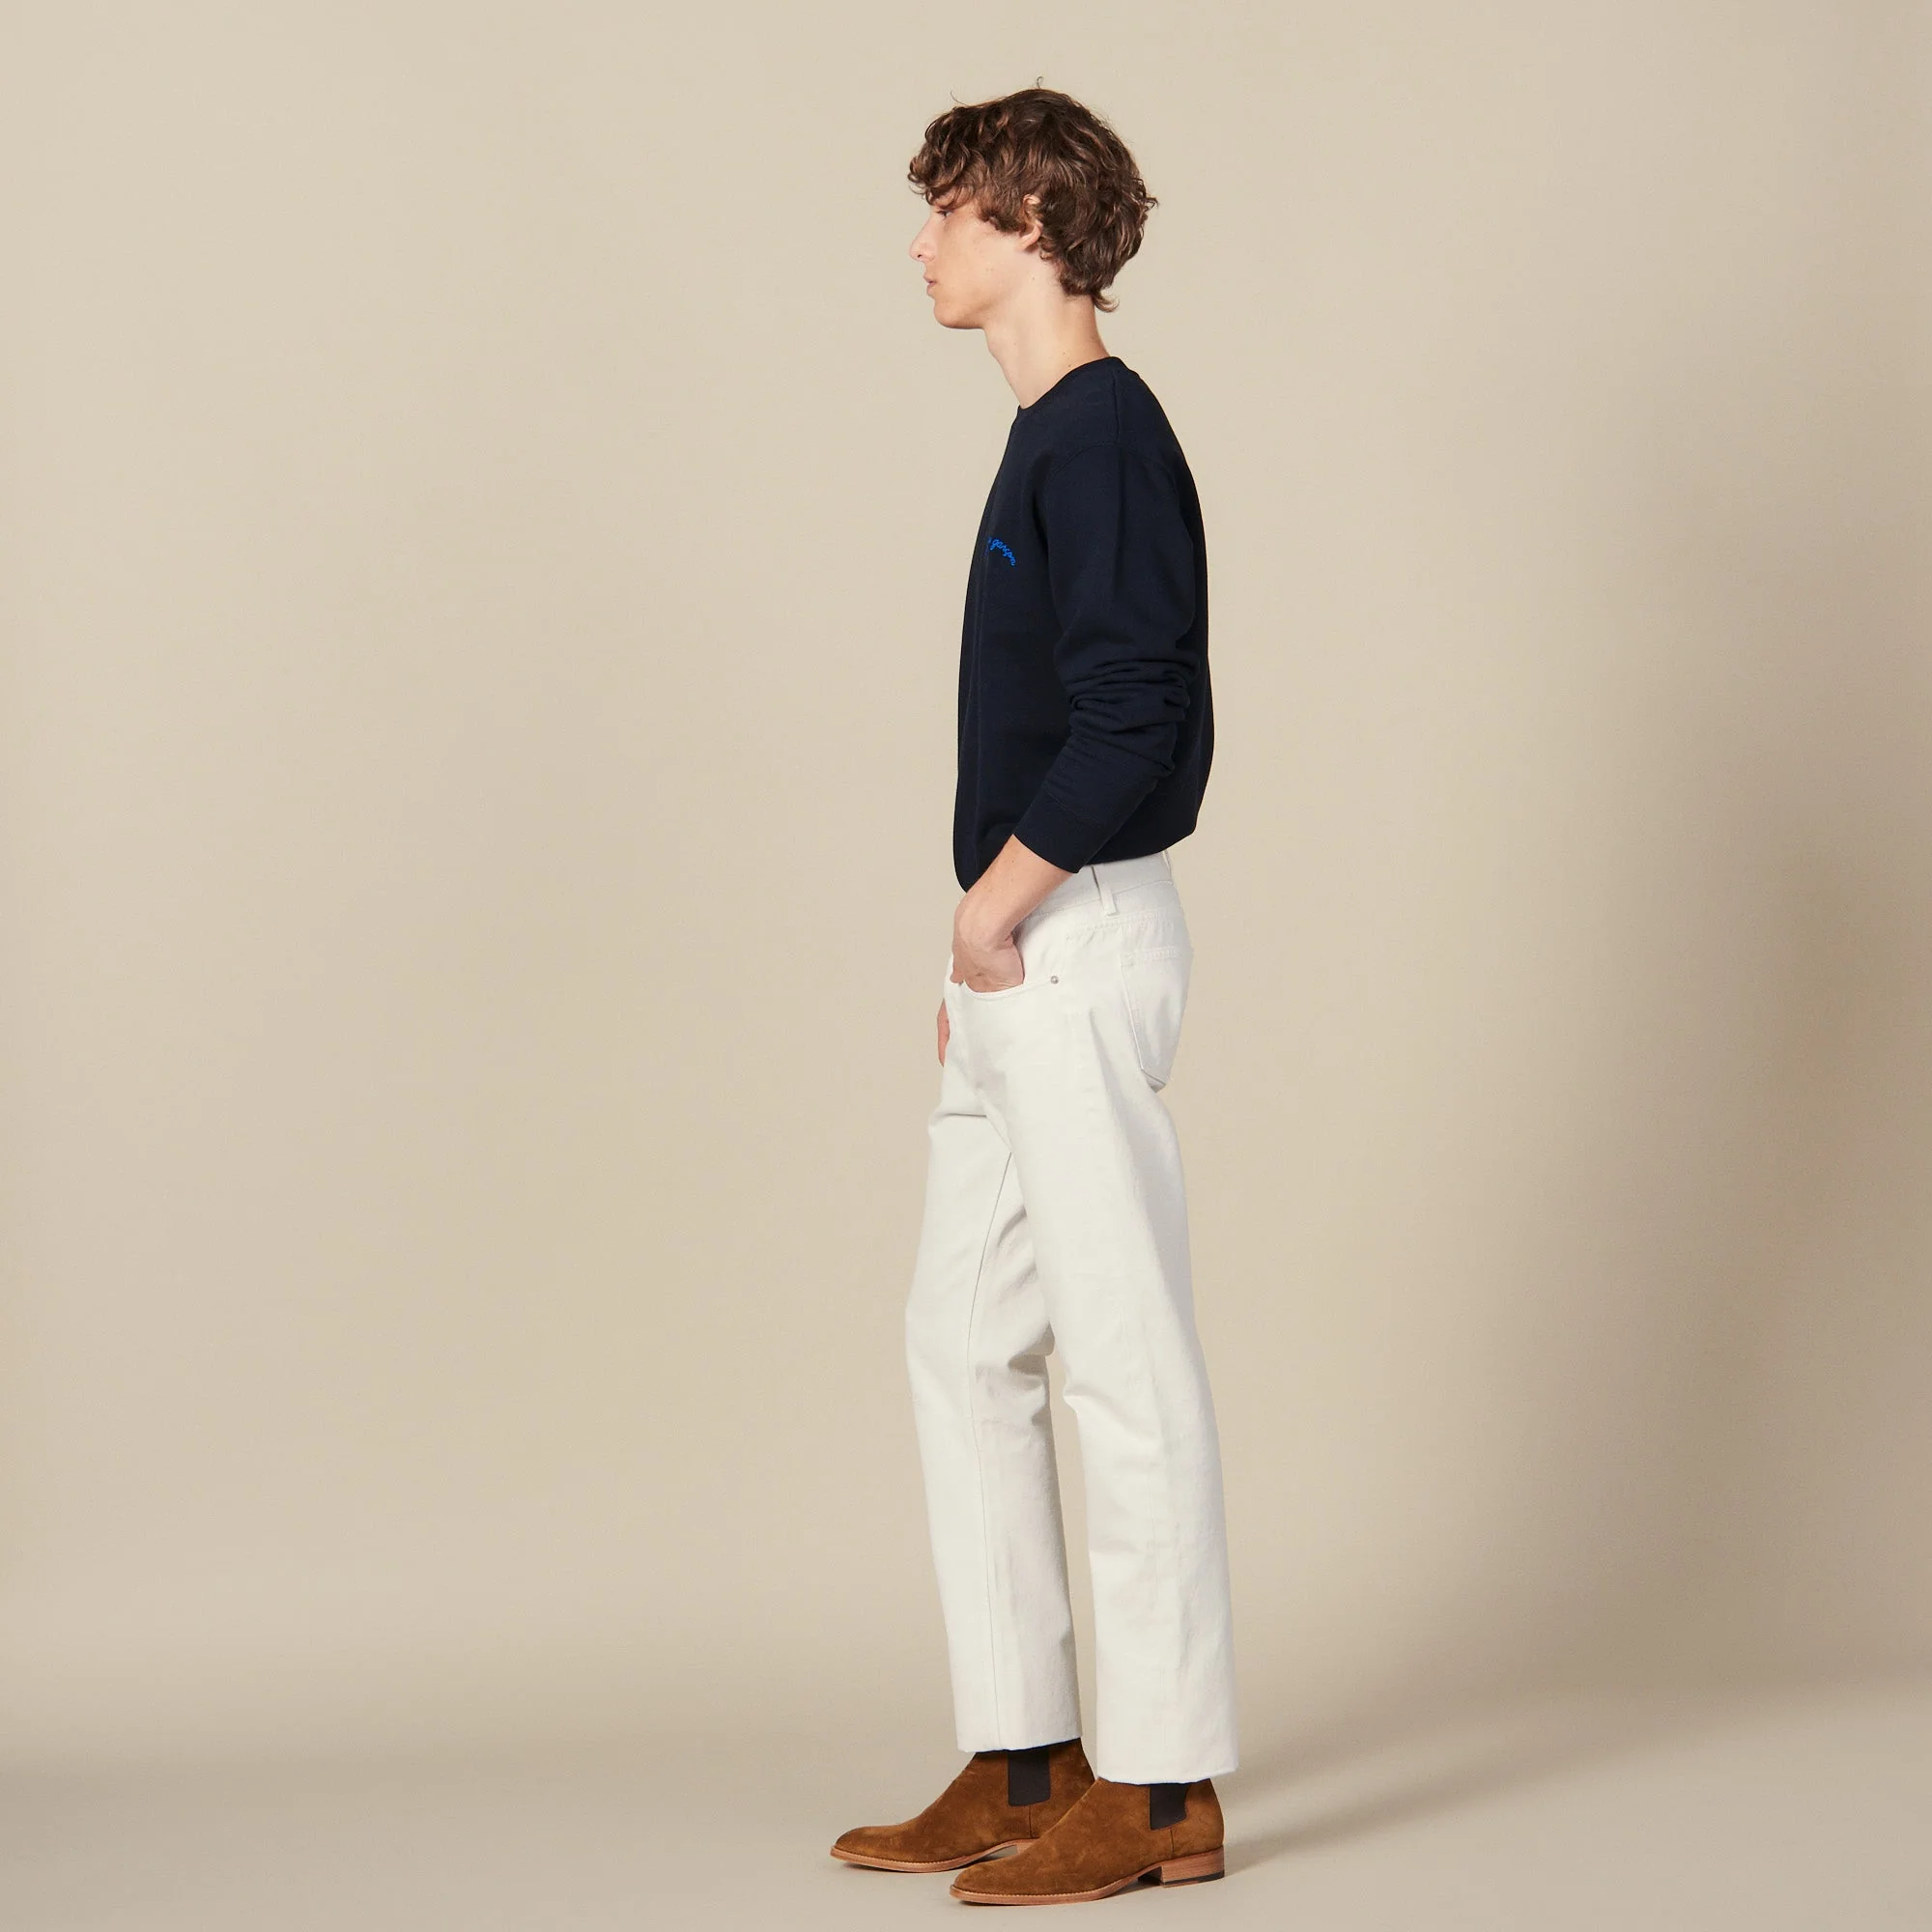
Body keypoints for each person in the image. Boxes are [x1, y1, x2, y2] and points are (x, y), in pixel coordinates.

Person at [829, 88, 1236, 1907]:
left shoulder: (1105, 438)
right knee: (962, 1343)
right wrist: (977, 952)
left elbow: (1145, 709)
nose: (920, 241)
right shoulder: (1046, 438)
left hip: (1067, 933)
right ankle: (1026, 1753)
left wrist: (999, 911)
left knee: (1121, 1365)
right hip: (1013, 955)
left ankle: (1162, 1793)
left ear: (1031, 223)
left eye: (946, 210)